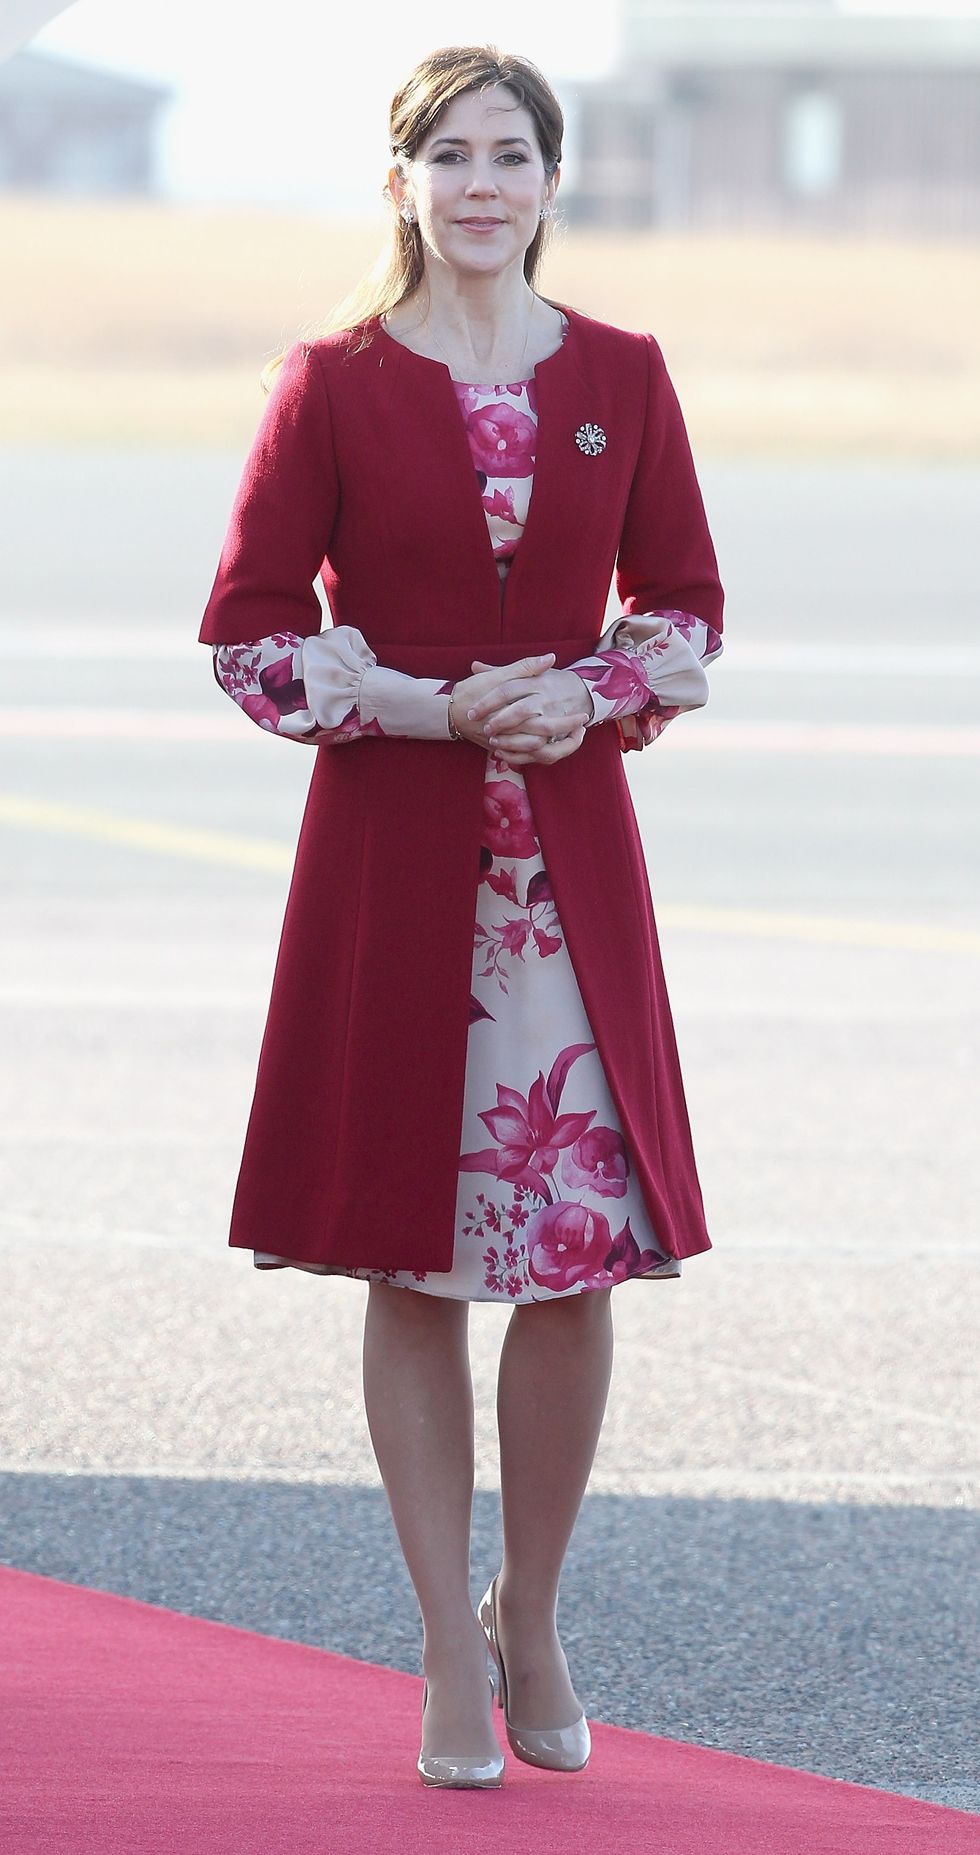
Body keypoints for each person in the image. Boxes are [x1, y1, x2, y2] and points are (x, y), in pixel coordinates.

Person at [198, 43, 724, 1790]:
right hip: (396, 876)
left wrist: (590, 695)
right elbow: (252, 631)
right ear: (402, 183)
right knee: (413, 1263)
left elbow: (686, 611)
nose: (482, 183)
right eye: (450, 154)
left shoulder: (626, 377)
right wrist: (429, 708)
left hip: (565, 883)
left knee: (575, 1273)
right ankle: (439, 1640)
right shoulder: (331, 382)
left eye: (512, 154)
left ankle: (537, 1610)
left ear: (553, 184)